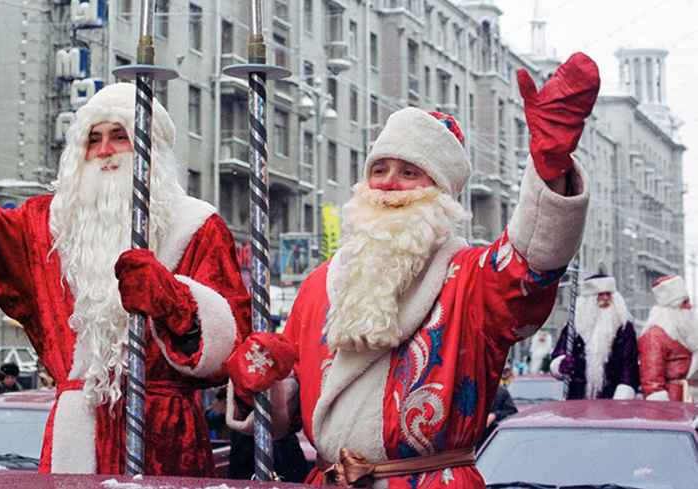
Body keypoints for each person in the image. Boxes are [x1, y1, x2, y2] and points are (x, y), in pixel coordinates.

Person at [227, 52, 598, 488]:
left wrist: (548, 171)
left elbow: (532, 263)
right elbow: (290, 409)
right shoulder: (319, 285)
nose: (387, 183)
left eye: (409, 172)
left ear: (441, 193)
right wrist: (260, 386)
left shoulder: (472, 277)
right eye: (379, 169)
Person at [0, 52, 250, 475]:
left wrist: (174, 301)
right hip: (76, 435)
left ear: (150, 149)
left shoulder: (196, 225)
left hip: (166, 437)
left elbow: (232, 345)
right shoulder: (45, 228)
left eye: (120, 136)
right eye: (93, 138)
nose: (104, 150)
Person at [549, 274, 639, 399]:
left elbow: (629, 363)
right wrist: (561, 364)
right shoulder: (575, 325)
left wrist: (624, 389)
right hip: (578, 395)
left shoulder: (623, 327)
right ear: (590, 298)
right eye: (601, 294)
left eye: (609, 294)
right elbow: (560, 352)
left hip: (612, 396)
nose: (606, 298)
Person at [639, 275, 698, 401]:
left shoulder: (687, 332)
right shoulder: (654, 335)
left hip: (691, 398)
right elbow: (652, 383)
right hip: (673, 402)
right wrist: (664, 411)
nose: (689, 306)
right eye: (684, 302)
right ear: (672, 306)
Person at [478, 365, 517, 447]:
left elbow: (513, 412)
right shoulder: (469, 392)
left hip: (494, 438)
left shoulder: (501, 392)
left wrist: (495, 415)